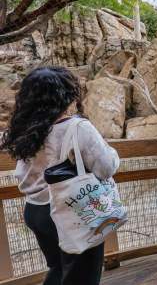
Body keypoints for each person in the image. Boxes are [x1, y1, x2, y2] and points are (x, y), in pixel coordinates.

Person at [1, 66, 119, 285]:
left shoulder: (23, 129)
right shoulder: (77, 127)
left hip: (36, 211)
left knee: (58, 269)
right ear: (65, 95)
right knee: (83, 276)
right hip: (73, 211)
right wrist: (112, 152)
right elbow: (106, 168)